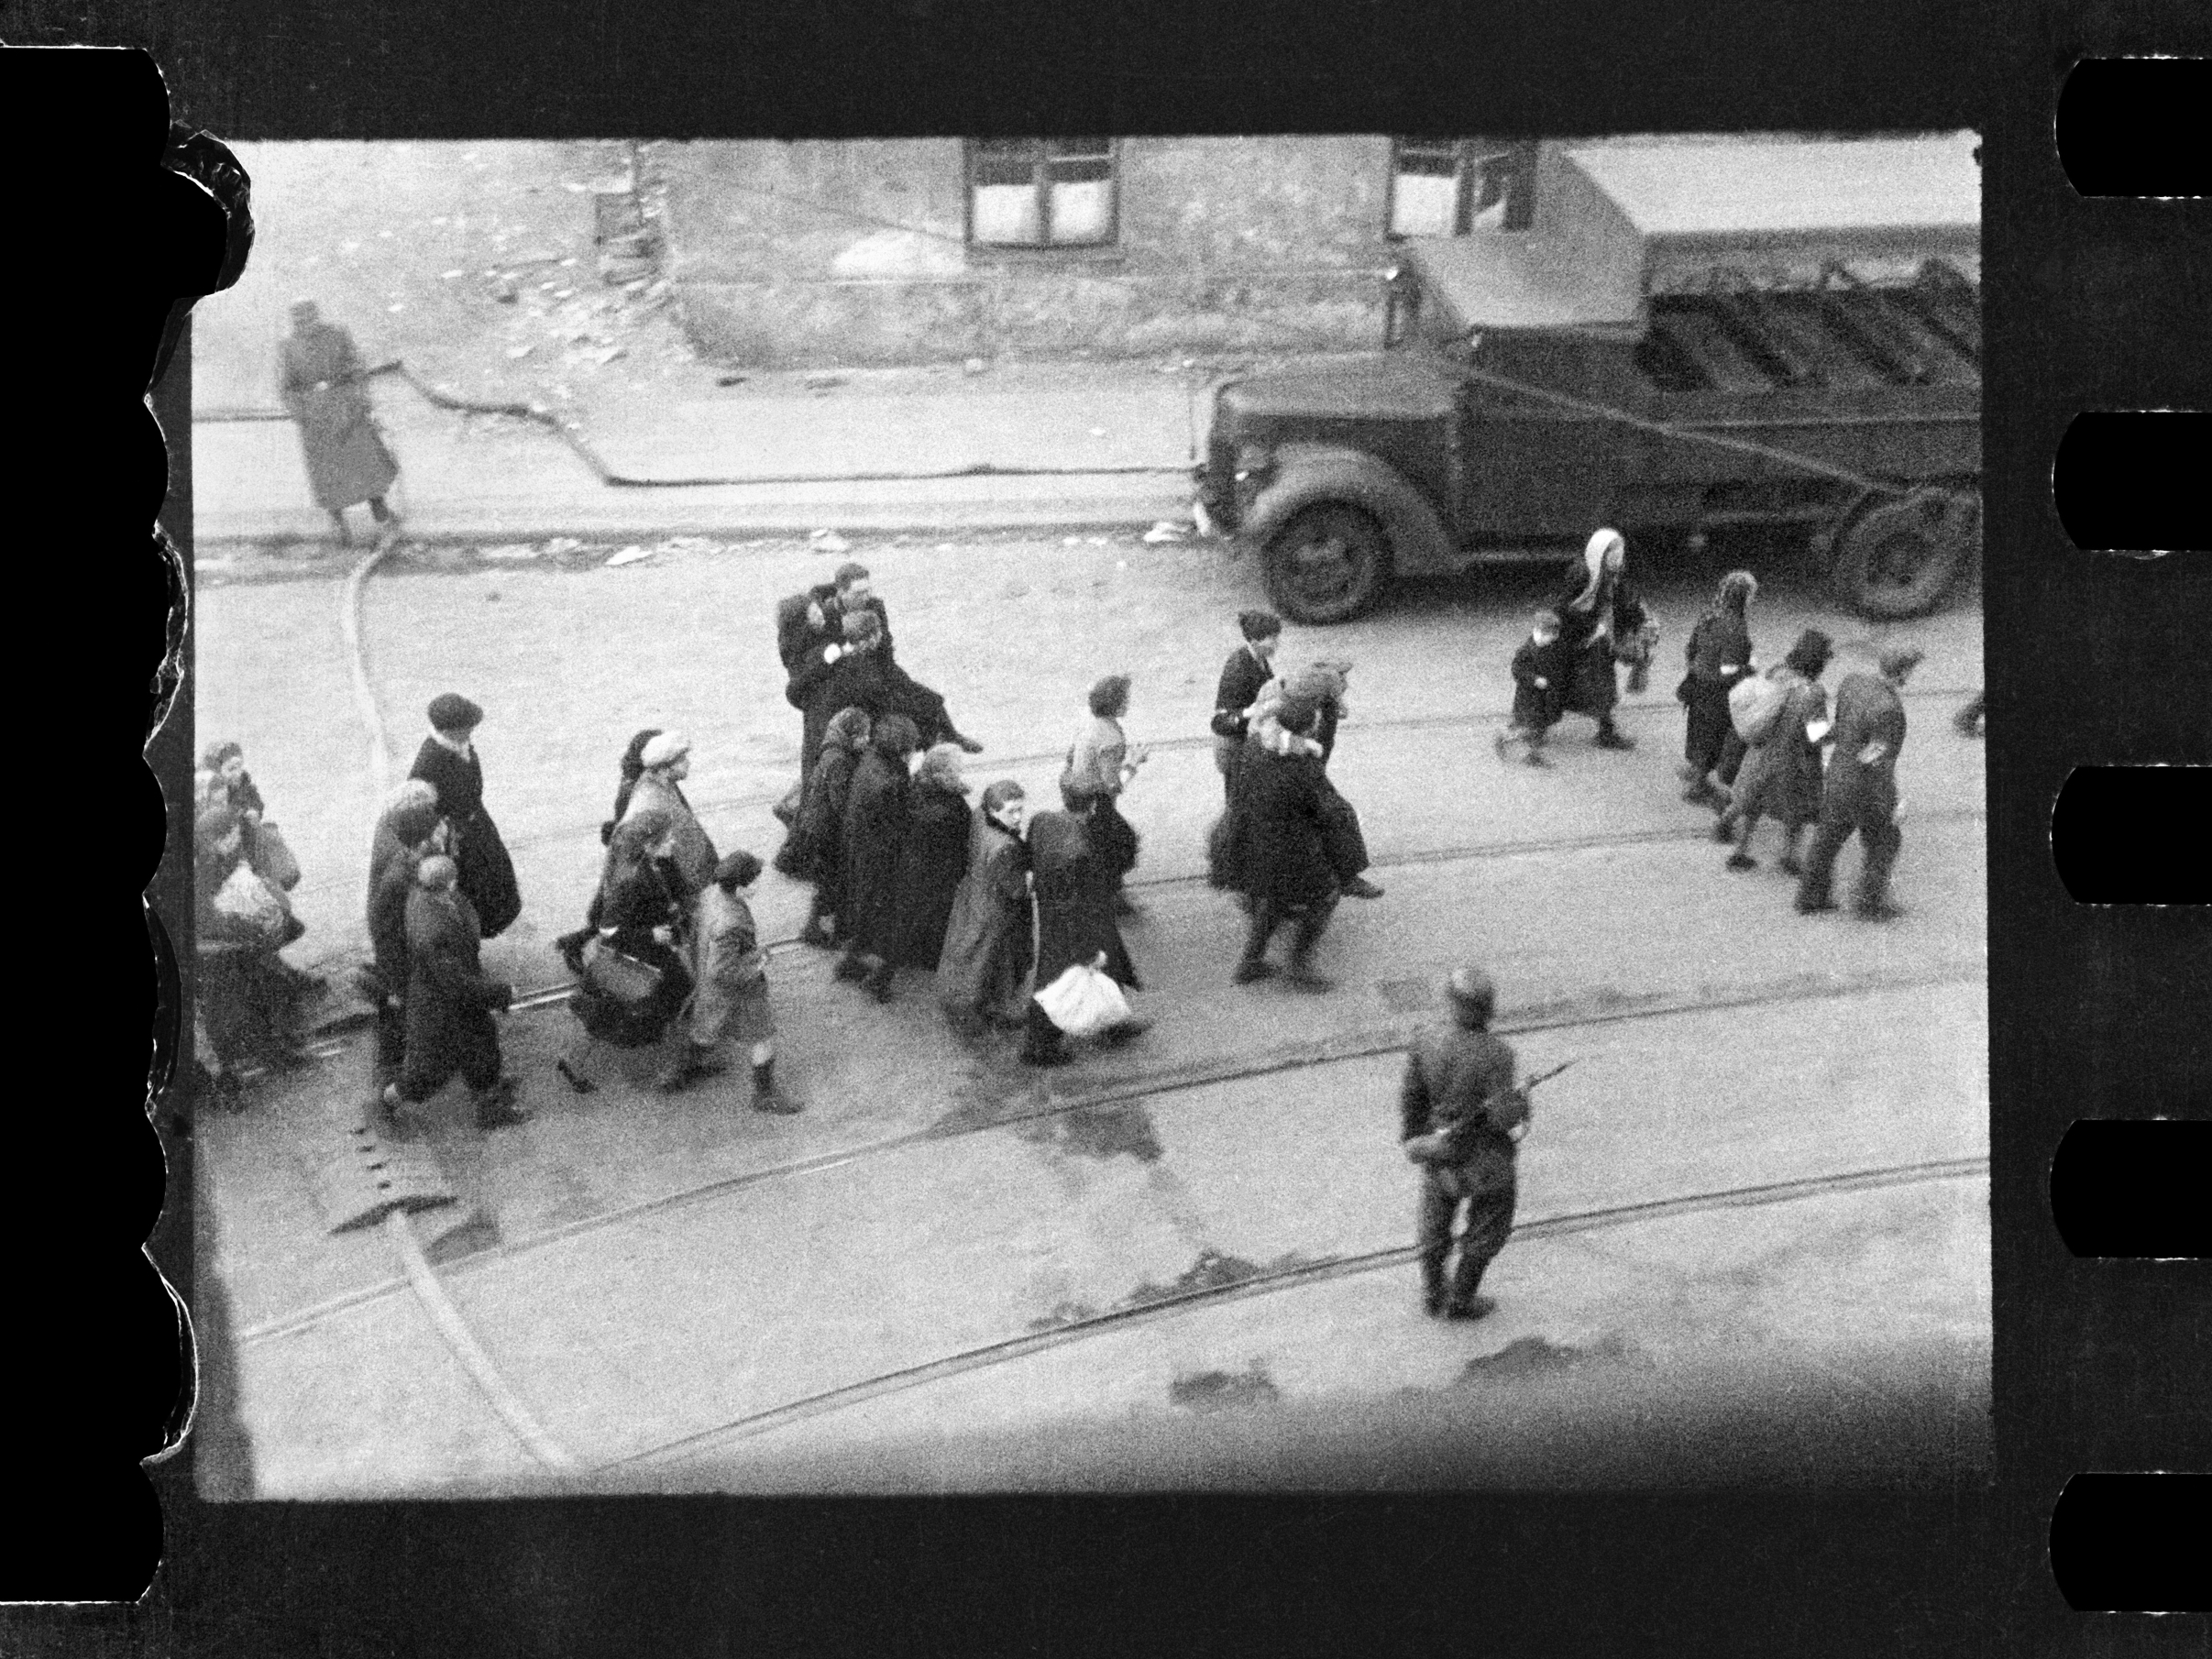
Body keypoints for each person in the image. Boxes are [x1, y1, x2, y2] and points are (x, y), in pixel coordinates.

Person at [1399, 967, 1524, 1321]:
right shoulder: (1498, 1053)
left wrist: (1415, 1139)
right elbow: (1502, 1119)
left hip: (1437, 1149)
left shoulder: (1424, 1039)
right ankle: (1461, 1299)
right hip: (1482, 1158)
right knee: (1491, 1221)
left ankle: (1432, 1293)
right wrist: (1520, 1103)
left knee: (1434, 1221)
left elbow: (1412, 1097)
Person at [381, 854, 528, 1132]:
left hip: (448, 1004)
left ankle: (490, 1101)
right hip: (443, 1011)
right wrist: (502, 993)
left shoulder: (423, 898)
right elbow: (457, 985)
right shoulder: (435, 933)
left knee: (483, 1050)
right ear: (449, 884)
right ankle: (387, 1101)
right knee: (428, 1073)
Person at [555, 808, 696, 1093]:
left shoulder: (654, 864)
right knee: (613, 1014)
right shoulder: (631, 880)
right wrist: (650, 934)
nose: (673, 842)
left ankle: (674, 1064)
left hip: (652, 953)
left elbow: (673, 893)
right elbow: (608, 929)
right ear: (649, 845)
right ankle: (671, 1070)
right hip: (639, 958)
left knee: (615, 1014)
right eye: (667, 838)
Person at [791, 563, 984, 757]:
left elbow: (885, 647)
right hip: (849, 678)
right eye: (859, 593)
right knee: (896, 710)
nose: (865, 597)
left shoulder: (875, 606)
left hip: (880, 668)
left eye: (868, 591)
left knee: (927, 699)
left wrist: (889, 675)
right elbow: (818, 658)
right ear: (841, 592)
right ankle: (926, 749)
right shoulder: (827, 616)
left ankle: (951, 735)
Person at [659, 851, 799, 1111]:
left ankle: (679, 1073)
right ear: (739, 886)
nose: (758, 885)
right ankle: (765, 1096)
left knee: (706, 1030)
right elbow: (723, 970)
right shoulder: (731, 922)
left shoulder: (712, 894)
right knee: (763, 1038)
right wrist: (758, 962)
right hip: (738, 991)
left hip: (710, 988)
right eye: (754, 881)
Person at [1223, 696, 1342, 991]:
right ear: (1309, 728)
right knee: (1325, 896)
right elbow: (1321, 809)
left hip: (1256, 841)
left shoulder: (1255, 746)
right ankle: (1298, 966)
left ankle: (1250, 963)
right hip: (1290, 848)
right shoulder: (1303, 766)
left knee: (1274, 899)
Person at [195, 803, 311, 1103]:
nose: (236, 839)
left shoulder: (221, 858)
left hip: (237, 947)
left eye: (236, 832)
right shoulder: (202, 869)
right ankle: (232, 1073)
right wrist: (242, 924)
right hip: (216, 955)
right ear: (214, 840)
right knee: (229, 1011)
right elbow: (207, 918)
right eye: (230, 835)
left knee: (261, 995)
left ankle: (272, 1051)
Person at [1798, 645, 1922, 920]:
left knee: (1827, 839)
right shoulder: (1889, 710)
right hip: (1863, 787)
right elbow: (1875, 758)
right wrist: (1893, 801)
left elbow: (1841, 724)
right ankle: (1869, 903)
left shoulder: (1852, 683)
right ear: (1903, 672)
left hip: (1838, 775)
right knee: (1885, 841)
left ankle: (1810, 897)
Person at [1022, 791, 1145, 1067]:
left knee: (1076, 972)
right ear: (1092, 806)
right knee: (1063, 981)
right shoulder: (1080, 852)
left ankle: (1111, 1022)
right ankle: (1040, 1045)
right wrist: (1086, 949)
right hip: (1081, 920)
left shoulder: (1044, 822)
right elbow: (1078, 905)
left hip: (1054, 913)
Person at [278, 299, 401, 545]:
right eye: (299, 320)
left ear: (317, 316)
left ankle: (380, 511)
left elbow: (357, 368)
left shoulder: (337, 335)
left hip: (346, 407)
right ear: (294, 322)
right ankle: (339, 525)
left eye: (310, 318)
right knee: (327, 474)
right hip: (315, 417)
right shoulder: (288, 346)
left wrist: (359, 399)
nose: (306, 324)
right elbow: (286, 388)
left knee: (365, 461)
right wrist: (303, 414)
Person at [1717, 629, 1835, 873]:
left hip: (1761, 752)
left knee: (1751, 800)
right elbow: (1816, 735)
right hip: (1794, 761)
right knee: (1797, 810)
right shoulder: (1812, 694)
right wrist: (1838, 733)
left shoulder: (1776, 673)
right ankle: (1789, 857)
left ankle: (1736, 845)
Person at [407, 693, 523, 938]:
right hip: (454, 835)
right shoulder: (430, 761)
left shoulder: (460, 745)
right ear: (448, 730)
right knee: (469, 884)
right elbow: (420, 809)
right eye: (466, 728)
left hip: (475, 822)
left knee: (495, 872)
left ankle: (488, 924)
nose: (471, 732)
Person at [556, 729, 663, 972]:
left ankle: (577, 942)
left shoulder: (641, 780)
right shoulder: (634, 788)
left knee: (617, 909)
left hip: (632, 854)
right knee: (621, 912)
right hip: (632, 857)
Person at [938, 780, 1035, 1042]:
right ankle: (987, 1014)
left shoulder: (979, 817)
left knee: (974, 959)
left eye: (1020, 809)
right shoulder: (1005, 846)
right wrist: (1032, 878)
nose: (1018, 817)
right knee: (993, 964)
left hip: (975, 899)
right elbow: (1018, 889)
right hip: (998, 914)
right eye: (1011, 811)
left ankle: (981, 1010)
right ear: (993, 810)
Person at [835, 713, 921, 1001]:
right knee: (896, 920)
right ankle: (879, 980)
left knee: (866, 911)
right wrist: (913, 779)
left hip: (862, 850)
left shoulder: (871, 760)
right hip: (884, 859)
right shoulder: (893, 781)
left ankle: (851, 962)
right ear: (902, 749)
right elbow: (903, 822)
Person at [1287, 659, 1383, 901]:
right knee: (1339, 815)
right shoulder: (1306, 710)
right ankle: (1346, 878)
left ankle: (1343, 876)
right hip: (1298, 773)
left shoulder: (1326, 706)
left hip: (1311, 771)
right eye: (1341, 679)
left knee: (1339, 814)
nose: (1346, 685)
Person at [366, 793, 446, 1082]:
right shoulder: (404, 876)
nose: (442, 832)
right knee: (403, 1009)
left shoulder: (408, 862)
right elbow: (398, 925)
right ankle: (393, 1077)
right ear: (422, 839)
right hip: (402, 956)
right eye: (436, 829)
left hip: (402, 951)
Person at [1549, 527, 1652, 751]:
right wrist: (1591, 627)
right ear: (1600, 554)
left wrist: (1639, 620)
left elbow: (1624, 602)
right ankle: (1533, 726)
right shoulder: (1583, 574)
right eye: (1613, 555)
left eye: (1620, 554)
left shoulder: (1613, 575)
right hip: (1576, 639)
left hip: (1601, 642)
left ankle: (1606, 730)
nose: (1618, 560)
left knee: (1602, 684)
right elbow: (1565, 609)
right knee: (1558, 683)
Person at [783, 707, 872, 947]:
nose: (867, 739)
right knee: (831, 883)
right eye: (863, 734)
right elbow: (840, 802)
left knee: (826, 884)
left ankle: (816, 928)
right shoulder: (839, 760)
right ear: (850, 734)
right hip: (827, 833)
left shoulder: (831, 751)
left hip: (817, 829)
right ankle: (821, 930)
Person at [1062, 674, 1146, 913]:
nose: (1128, 703)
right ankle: (1111, 899)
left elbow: (1072, 756)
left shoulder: (1090, 724)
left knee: (1105, 845)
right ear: (1116, 705)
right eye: (1125, 700)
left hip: (1075, 793)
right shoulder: (1112, 739)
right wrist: (1133, 763)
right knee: (1119, 844)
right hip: (1095, 801)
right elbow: (1112, 786)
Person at [1677, 570, 1759, 807]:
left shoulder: (1710, 615)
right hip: (1717, 692)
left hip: (1698, 682)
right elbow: (1728, 669)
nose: (1753, 599)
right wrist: (1750, 668)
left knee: (1697, 730)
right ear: (1743, 597)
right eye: (1751, 595)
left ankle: (1695, 770)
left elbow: (1690, 648)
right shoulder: (1735, 627)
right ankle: (1698, 786)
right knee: (1713, 737)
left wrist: (1696, 668)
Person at [893, 744, 975, 974]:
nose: (961, 772)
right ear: (943, 773)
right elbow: (961, 839)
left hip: (917, 863)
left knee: (919, 911)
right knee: (936, 913)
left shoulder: (918, 788)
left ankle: (913, 954)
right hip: (941, 868)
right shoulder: (952, 806)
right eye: (957, 769)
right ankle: (928, 957)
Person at [623, 731, 719, 899]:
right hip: (688, 891)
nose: (688, 762)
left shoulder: (663, 785)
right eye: (681, 759)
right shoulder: (652, 800)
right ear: (664, 768)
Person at [1212, 610, 1283, 807]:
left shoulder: (1258, 658)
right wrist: (1253, 711)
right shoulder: (1237, 669)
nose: (1277, 643)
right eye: (1272, 639)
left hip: (1249, 743)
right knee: (1239, 803)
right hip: (1235, 748)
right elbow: (1220, 722)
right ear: (1254, 642)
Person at [1496, 610, 1568, 766]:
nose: (1552, 640)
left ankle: (1515, 739)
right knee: (1532, 724)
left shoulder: (1549, 647)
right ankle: (1531, 755)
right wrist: (1534, 679)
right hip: (1529, 696)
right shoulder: (1526, 651)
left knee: (1535, 723)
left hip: (1542, 696)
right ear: (1541, 632)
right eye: (1550, 637)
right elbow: (1517, 670)